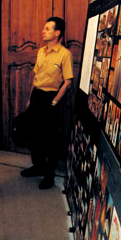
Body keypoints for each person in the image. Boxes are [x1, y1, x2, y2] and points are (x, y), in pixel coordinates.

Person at [21, 16, 74, 190]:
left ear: (57, 33)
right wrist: (30, 98)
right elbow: (35, 77)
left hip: (51, 98)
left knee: (50, 138)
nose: (43, 31)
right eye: (44, 28)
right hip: (37, 96)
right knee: (34, 135)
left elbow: (68, 81)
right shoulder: (41, 51)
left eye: (47, 28)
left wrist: (55, 101)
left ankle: (49, 175)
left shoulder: (65, 54)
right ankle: (37, 166)